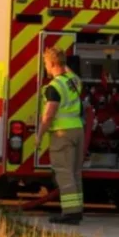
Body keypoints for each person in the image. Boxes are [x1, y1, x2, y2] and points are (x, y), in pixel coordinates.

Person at [36, 47, 85, 225]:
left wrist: (39, 135)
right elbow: (69, 72)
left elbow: (49, 115)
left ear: (52, 64)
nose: (45, 67)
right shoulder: (74, 80)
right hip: (78, 130)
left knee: (64, 173)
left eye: (46, 63)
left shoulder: (54, 87)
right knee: (75, 173)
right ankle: (77, 210)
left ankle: (70, 213)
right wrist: (62, 59)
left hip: (62, 134)